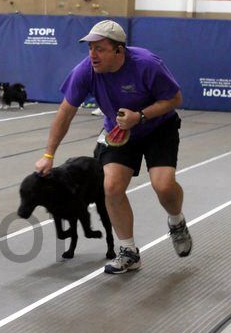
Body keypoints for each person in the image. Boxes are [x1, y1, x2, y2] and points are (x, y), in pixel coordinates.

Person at [35, 20, 192, 274]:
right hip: (119, 132)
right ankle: (129, 251)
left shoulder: (147, 64)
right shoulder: (85, 71)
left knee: (163, 186)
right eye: (90, 48)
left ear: (119, 50)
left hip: (158, 128)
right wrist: (48, 154)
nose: (92, 55)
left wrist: (140, 117)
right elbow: (65, 113)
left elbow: (175, 98)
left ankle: (176, 221)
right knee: (111, 187)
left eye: (100, 49)